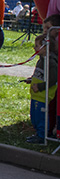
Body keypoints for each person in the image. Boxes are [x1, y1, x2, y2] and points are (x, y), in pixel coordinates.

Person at [25, 15, 60, 143]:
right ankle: (38, 134)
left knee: (41, 117)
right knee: (35, 116)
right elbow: (40, 74)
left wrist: (40, 87)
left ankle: (42, 136)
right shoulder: (42, 60)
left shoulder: (51, 61)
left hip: (43, 95)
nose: (34, 48)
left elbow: (52, 79)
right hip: (37, 95)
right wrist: (32, 79)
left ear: (45, 47)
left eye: (37, 45)